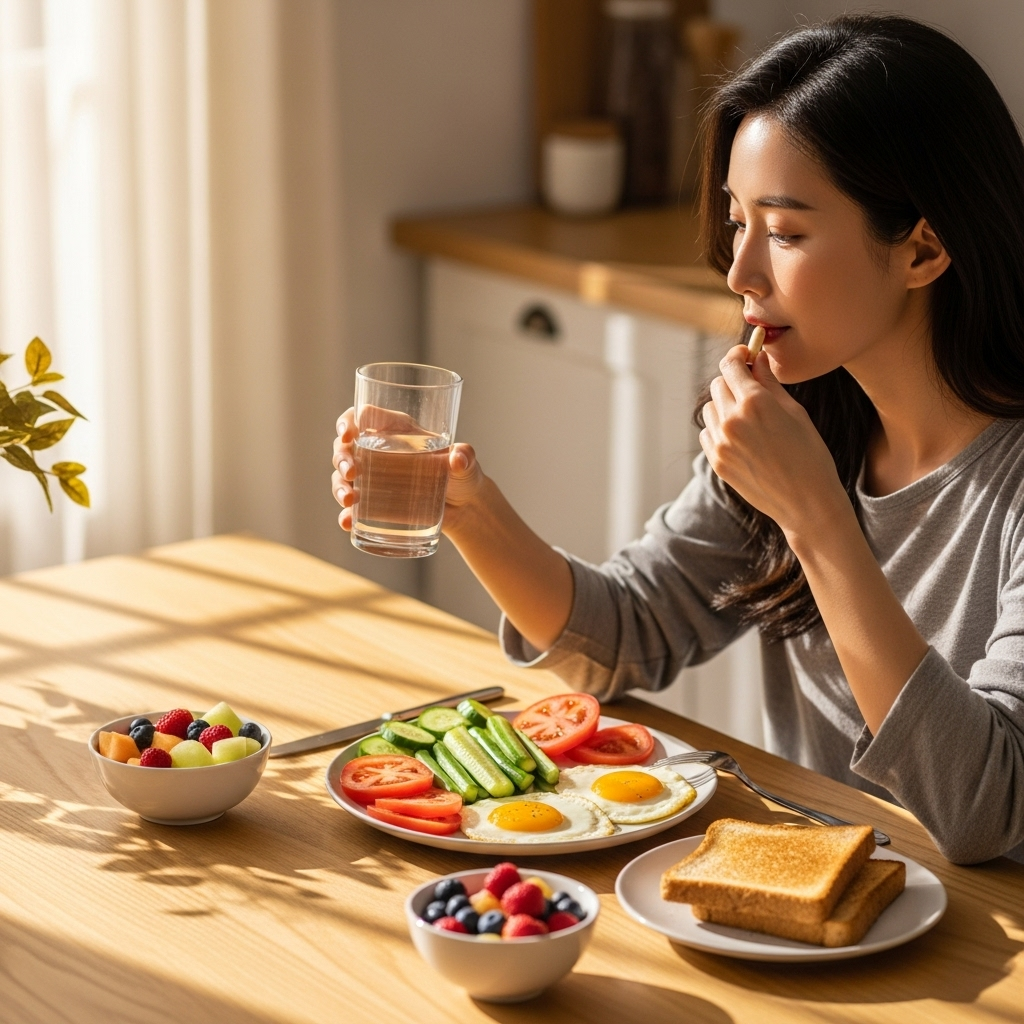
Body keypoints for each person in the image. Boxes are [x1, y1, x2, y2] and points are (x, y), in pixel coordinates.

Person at [333, 15, 1024, 865]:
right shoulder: (807, 422)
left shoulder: (980, 482)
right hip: (826, 892)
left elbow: (987, 806)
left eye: (787, 231)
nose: (740, 272)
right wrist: (468, 505)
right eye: (738, 221)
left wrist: (814, 517)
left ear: (923, 248)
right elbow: (621, 637)